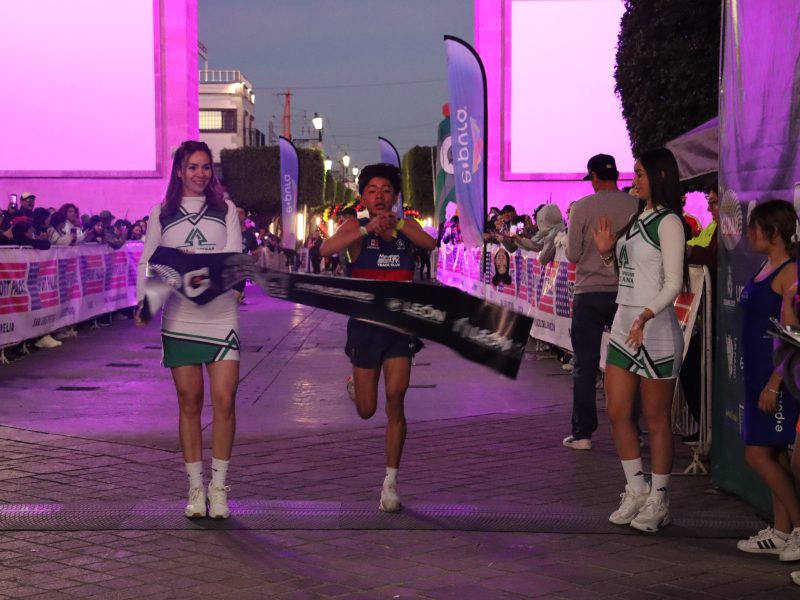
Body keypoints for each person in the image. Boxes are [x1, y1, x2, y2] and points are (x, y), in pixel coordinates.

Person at [135, 140, 243, 520]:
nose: (200, 173)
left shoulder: (226, 210)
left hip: (220, 315)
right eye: (192, 167)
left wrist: (186, 267)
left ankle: (220, 486)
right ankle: (195, 489)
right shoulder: (161, 214)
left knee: (226, 401)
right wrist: (144, 303)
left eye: (205, 167)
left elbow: (231, 263)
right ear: (179, 170)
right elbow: (150, 263)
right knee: (189, 403)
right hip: (180, 319)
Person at [319, 163, 436, 512]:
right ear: (363, 197)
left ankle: (390, 482)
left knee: (396, 398)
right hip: (365, 328)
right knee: (368, 410)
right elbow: (326, 250)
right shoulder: (355, 227)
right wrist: (367, 227)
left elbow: (430, 243)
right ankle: (356, 385)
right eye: (372, 190)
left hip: (399, 327)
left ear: (396, 196)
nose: (380, 195)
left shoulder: (406, 228)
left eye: (386, 189)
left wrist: (398, 224)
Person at [592, 148, 687, 532]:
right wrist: (604, 255)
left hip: (657, 330)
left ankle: (659, 499)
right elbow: (629, 271)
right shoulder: (636, 219)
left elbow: (673, 283)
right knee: (616, 411)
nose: (636, 179)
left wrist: (647, 315)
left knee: (656, 418)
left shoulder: (670, 223)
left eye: (642, 173)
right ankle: (636, 488)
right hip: (623, 323)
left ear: (661, 176)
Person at [735, 200, 800, 561]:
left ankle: (799, 529)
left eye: (754, 227)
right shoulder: (767, 265)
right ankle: (781, 531)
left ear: (772, 232)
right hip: (757, 373)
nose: (748, 234)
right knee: (771, 453)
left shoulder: (791, 273)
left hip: (778, 378)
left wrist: (775, 381)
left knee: (757, 454)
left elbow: (793, 336)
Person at [562, 153, 639, 451]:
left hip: (589, 292)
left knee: (585, 364)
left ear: (593, 176)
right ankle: (634, 430)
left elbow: (573, 254)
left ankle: (582, 433)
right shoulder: (636, 205)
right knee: (631, 364)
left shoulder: (582, 207)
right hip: (627, 293)